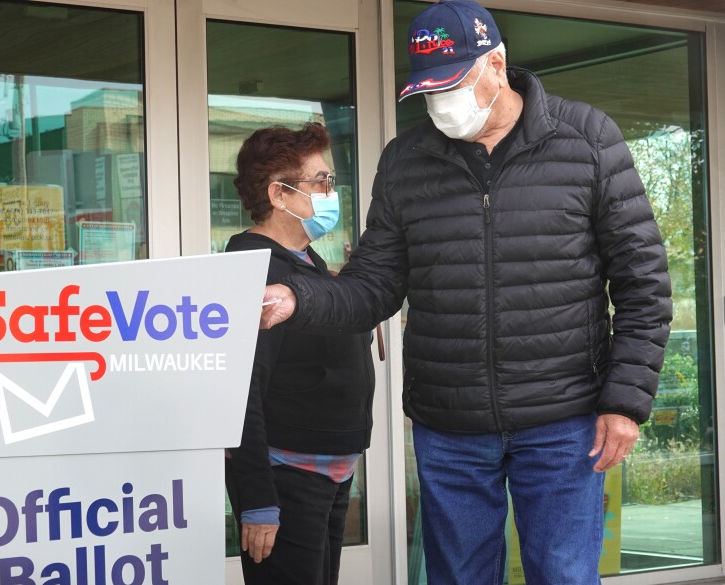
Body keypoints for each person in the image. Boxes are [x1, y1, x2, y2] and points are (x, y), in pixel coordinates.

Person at [260, 1, 672, 583]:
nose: (440, 105)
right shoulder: (407, 160)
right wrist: (300, 298)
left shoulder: (586, 139)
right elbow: (375, 283)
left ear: (497, 65)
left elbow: (643, 284)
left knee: (563, 573)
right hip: (448, 423)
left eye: (452, 85)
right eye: (428, 91)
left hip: (563, 418)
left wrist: (625, 401)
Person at [224, 122, 376, 585]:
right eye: (321, 182)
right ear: (279, 194)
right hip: (287, 479)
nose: (331, 192)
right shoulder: (253, 271)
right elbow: (240, 395)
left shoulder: (309, 264)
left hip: (330, 474)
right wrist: (257, 500)